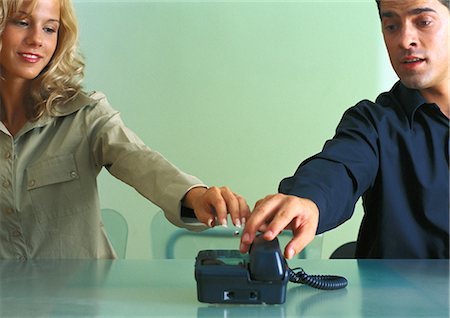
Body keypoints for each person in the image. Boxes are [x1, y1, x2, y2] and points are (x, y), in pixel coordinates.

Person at [0, 0, 249, 259]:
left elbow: (141, 161)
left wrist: (195, 197)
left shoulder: (86, 115)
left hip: (82, 296)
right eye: (22, 22)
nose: (37, 39)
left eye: (50, 29)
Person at [240, 0, 449, 259]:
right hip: (393, 298)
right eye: (392, 25)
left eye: (424, 22)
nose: (405, 40)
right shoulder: (373, 122)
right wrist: (309, 201)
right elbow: (338, 169)